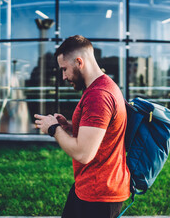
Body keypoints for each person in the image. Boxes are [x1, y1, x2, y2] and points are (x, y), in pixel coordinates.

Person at [34, 35, 130, 218]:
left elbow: (83, 153)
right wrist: (69, 126)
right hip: (93, 186)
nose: (63, 77)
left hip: (99, 194)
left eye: (65, 69)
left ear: (79, 62)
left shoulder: (98, 95)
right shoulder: (104, 86)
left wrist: (54, 129)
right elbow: (103, 130)